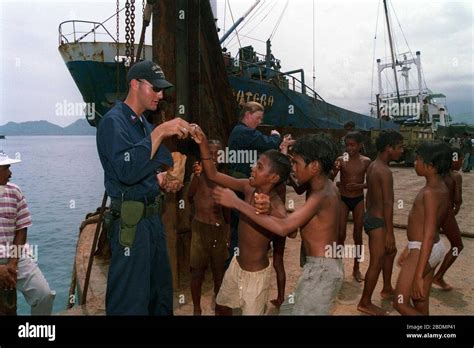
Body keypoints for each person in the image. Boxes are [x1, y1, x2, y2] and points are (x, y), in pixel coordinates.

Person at [96, 60, 195, 315]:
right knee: (130, 300)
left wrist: (164, 179)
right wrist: (161, 131)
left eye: (162, 90)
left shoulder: (142, 124)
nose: (161, 95)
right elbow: (126, 171)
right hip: (131, 224)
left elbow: (155, 164)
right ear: (135, 84)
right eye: (155, 88)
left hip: (152, 221)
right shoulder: (113, 122)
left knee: (159, 295)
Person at [213, 134, 344, 315]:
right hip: (320, 266)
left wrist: (237, 203)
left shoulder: (320, 195)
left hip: (321, 271)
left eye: (296, 163)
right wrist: (270, 211)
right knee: (288, 309)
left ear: (314, 167)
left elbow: (285, 228)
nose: (293, 169)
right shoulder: (326, 185)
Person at [192, 126, 291, 315]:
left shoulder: (276, 205)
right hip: (236, 267)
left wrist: (242, 204)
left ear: (274, 177)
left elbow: (288, 230)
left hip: (255, 278)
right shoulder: (248, 187)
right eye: (255, 164)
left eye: (259, 167)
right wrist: (203, 143)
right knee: (221, 305)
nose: (253, 168)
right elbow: (212, 174)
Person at [226, 101, 285, 306]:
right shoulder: (243, 132)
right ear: (248, 114)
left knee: (243, 228)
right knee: (239, 231)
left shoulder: (242, 134)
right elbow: (268, 144)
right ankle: (236, 275)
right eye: (258, 118)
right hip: (242, 186)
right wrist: (277, 137)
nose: (259, 123)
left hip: (244, 185)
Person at [393, 141, 451, 315]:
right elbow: (427, 225)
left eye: (418, 159)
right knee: (420, 301)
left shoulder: (429, 194)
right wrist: (408, 247)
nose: (415, 162)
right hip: (432, 247)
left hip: (423, 249)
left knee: (400, 302)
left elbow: (427, 234)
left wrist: (418, 275)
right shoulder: (441, 188)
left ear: (431, 166)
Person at [0, 152, 55, 315]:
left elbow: (21, 228)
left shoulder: (15, 192)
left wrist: (13, 263)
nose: (11, 173)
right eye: (6, 168)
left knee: (44, 296)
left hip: (15, 256)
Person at [357, 129, 404, 316]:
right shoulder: (384, 171)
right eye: (399, 147)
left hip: (371, 217)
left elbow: (371, 191)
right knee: (376, 261)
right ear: (388, 148)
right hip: (378, 221)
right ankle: (365, 302)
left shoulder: (373, 165)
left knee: (390, 253)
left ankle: (386, 288)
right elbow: (388, 203)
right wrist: (390, 233)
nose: (402, 151)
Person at [187, 140, 229, 315]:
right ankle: (197, 307)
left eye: (217, 153)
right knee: (197, 271)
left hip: (219, 229)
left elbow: (227, 211)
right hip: (199, 228)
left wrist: (228, 233)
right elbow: (189, 195)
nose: (213, 157)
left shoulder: (225, 179)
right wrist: (197, 176)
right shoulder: (197, 175)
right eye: (209, 153)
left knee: (219, 272)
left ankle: (219, 306)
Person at [331, 131, 371, 282]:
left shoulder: (366, 161)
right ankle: (337, 268)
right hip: (343, 199)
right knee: (340, 234)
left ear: (360, 145)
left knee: (358, 235)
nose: (349, 148)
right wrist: (335, 173)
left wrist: (360, 185)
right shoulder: (341, 160)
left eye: (353, 145)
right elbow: (330, 179)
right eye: (347, 145)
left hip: (358, 200)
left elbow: (373, 182)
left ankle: (356, 268)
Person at [433, 150, 464, 290]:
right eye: (460, 160)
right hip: (446, 214)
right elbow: (458, 199)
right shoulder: (455, 176)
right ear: (454, 160)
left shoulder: (436, 174)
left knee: (428, 244)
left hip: (434, 212)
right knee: (457, 246)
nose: (462, 163)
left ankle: (422, 276)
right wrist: (456, 207)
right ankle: (438, 277)